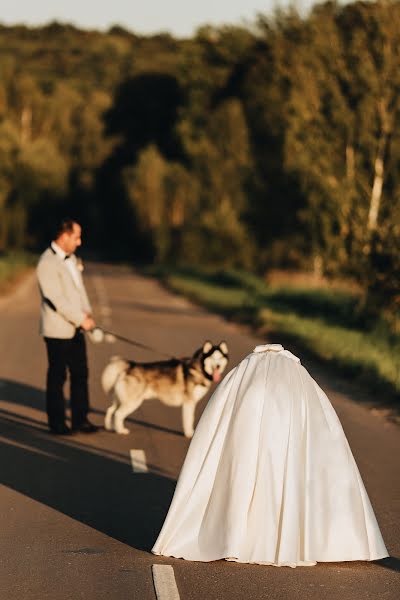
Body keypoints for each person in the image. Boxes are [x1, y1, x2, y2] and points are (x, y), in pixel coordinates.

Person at [152, 343, 388, 567]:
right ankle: (290, 538)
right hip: (287, 416)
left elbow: (217, 421)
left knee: (244, 468)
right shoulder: (299, 378)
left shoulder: (242, 373)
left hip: (249, 412)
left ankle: (237, 535)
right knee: (285, 468)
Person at [36, 218, 98, 435]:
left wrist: (87, 311)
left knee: (81, 373)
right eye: (76, 237)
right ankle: (57, 423)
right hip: (57, 330)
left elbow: (78, 290)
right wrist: (80, 319)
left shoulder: (72, 260)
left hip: (76, 328)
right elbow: (55, 299)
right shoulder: (46, 263)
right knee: (58, 376)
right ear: (63, 237)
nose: (79, 242)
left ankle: (80, 419)